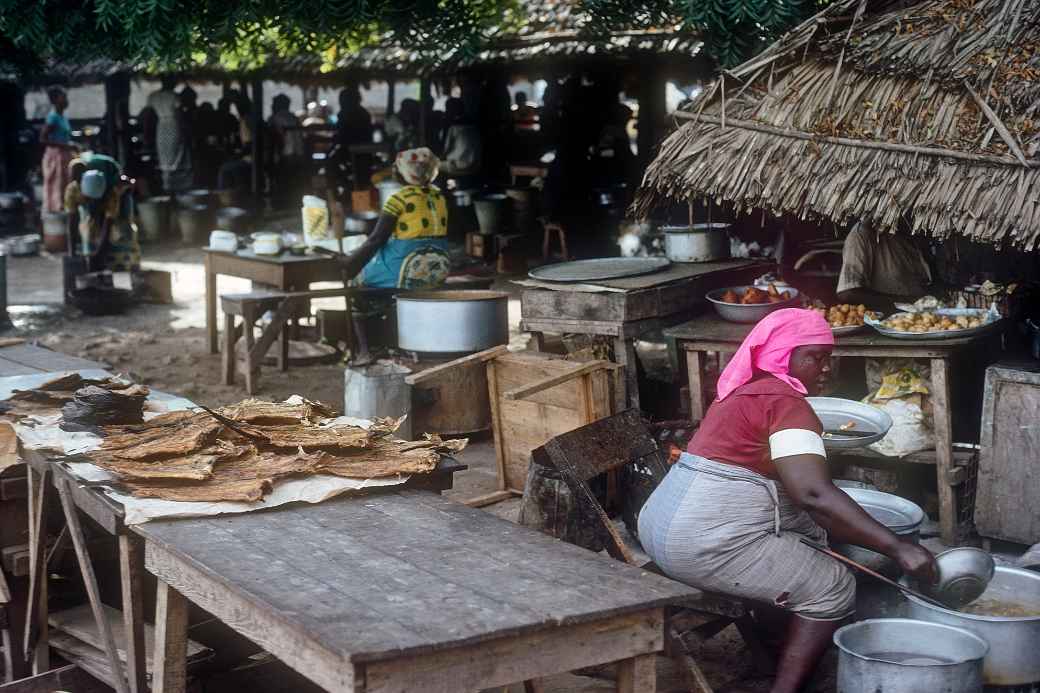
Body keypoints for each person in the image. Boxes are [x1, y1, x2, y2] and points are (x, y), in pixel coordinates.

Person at [638, 309, 937, 693]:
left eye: (828, 357)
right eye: (813, 356)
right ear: (782, 354)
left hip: (659, 525)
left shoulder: (745, 391)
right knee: (833, 585)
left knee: (807, 536)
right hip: (695, 544)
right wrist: (897, 547)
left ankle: (777, 643)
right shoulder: (787, 405)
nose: (825, 368)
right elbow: (812, 495)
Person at [338, 148, 450, 361]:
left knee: (358, 287)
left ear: (401, 172)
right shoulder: (439, 196)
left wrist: (350, 264)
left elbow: (376, 240)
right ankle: (394, 342)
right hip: (436, 271)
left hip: (406, 272)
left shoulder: (398, 199)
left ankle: (366, 351)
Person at [835, 222, 934, 313]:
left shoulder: (912, 232)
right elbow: (848, 293)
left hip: (923, 316)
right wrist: (905, 300)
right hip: (886, 321)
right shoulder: (862, 234)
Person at [65, 153, 139, 272]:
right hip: (95, 200)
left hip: (119, 192)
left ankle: (127, 265)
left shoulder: (113, 190)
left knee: (124, 230)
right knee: (90, 229)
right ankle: (94, 260)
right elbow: (72, 221)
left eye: (96, 200)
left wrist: (99, 253)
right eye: (90, 199)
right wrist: (72, 254)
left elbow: (108, 223)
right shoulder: (72, 190)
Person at [147, 76, 193, 193]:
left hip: (161, 126)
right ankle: (176, 184)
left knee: (164, 153)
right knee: (176, 152)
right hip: (173, 125)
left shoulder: (153, 96)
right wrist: (184, 129)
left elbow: (149, 115)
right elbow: (179, 115)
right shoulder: (174, 96)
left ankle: (167, 183)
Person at [40, 86, 78, 214]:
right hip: (55, 156)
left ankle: (66, 213)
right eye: (63, 97)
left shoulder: (62, 117)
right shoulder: (53, 117)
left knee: (66, 185)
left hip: (64, 154)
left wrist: (69, 145)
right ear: (55, 100)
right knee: (57, 186)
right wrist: (66, 146)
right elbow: (43, 139)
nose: (66, 100)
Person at [439, 97, 481, 181]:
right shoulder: (474, 125)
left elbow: (445, 150)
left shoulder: (453, 126)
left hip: (457, 166)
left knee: (432, 166)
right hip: (476, 166)